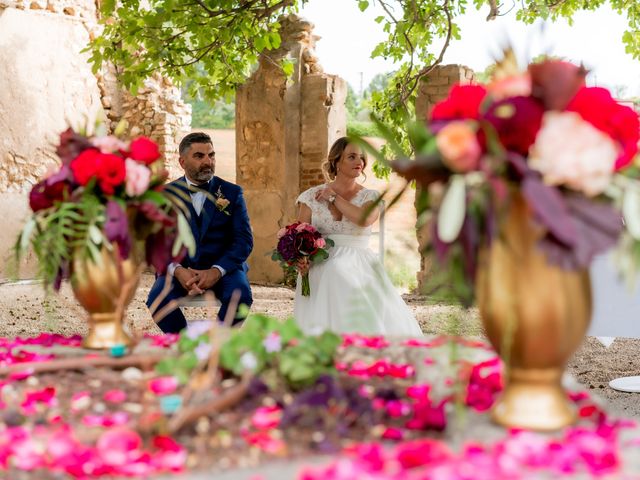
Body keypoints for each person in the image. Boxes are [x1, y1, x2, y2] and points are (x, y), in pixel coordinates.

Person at [294, 137, 422, 336]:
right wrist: (300, 259)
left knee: (337, 270)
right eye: (352, 157)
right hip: (319, 260)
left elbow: (364, 219)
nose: (359, 162)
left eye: (362, 157)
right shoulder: (311, 196)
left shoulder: (370, 196)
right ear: (336, 162)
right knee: (331, 269)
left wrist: (333, 197)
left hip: (357, 261)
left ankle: (358, 343)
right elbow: (299, 234)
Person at [146, 132, 253, 333]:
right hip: (180, 269)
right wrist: (177, 270)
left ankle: (219, 345)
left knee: (241, 297)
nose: (208, 161)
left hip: (224, 270)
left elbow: (244, 240)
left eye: (211, 155)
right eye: (199, 156)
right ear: (182, 161)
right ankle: (186, 345)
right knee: (157, 300)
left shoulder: (232, 193)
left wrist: (216, 270)